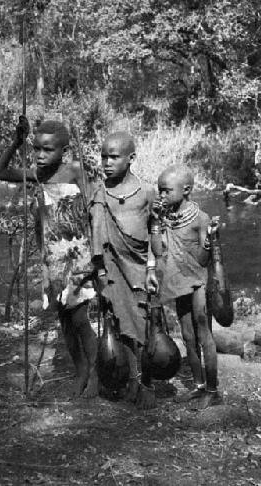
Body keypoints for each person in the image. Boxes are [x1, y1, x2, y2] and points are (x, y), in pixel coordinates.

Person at [0, 115, 99, 398]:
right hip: (51, 260)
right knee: (64, 320)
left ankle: (96, 376)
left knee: (80, 319)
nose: (39, 155)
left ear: (64, 151)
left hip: (78, 256)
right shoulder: (36, 175)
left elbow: (95, 210)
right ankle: (81, 371)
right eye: (36, 148)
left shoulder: (75, 172)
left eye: (47, 150)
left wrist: (99, 256)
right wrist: (17, 141)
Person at [90, 131, 157, 410]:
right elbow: (95, 236)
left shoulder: (147, 192)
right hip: (113, 271)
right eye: (104, 156)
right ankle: (132, 380)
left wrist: (153, 266)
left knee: (144, 323)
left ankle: (147, 383)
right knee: (122, 325)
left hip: (140, 269)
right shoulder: (100, 193)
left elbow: (155, 229)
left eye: (114, 157)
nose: (107, 162)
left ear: (131, 159)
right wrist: (101, 274)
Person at [146, 164, 222, 409]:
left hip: (199, 282)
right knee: (188, 337)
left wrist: (210, 240)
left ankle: (212, 390)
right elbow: (158, 251)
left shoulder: (200, 220)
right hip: (179, 282)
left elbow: (202, 260)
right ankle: (199, 386)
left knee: (203, 334)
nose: (162, 196)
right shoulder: (165, 219)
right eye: (160, 191)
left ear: (186, 190)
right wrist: (156, 223)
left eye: (167, 191)